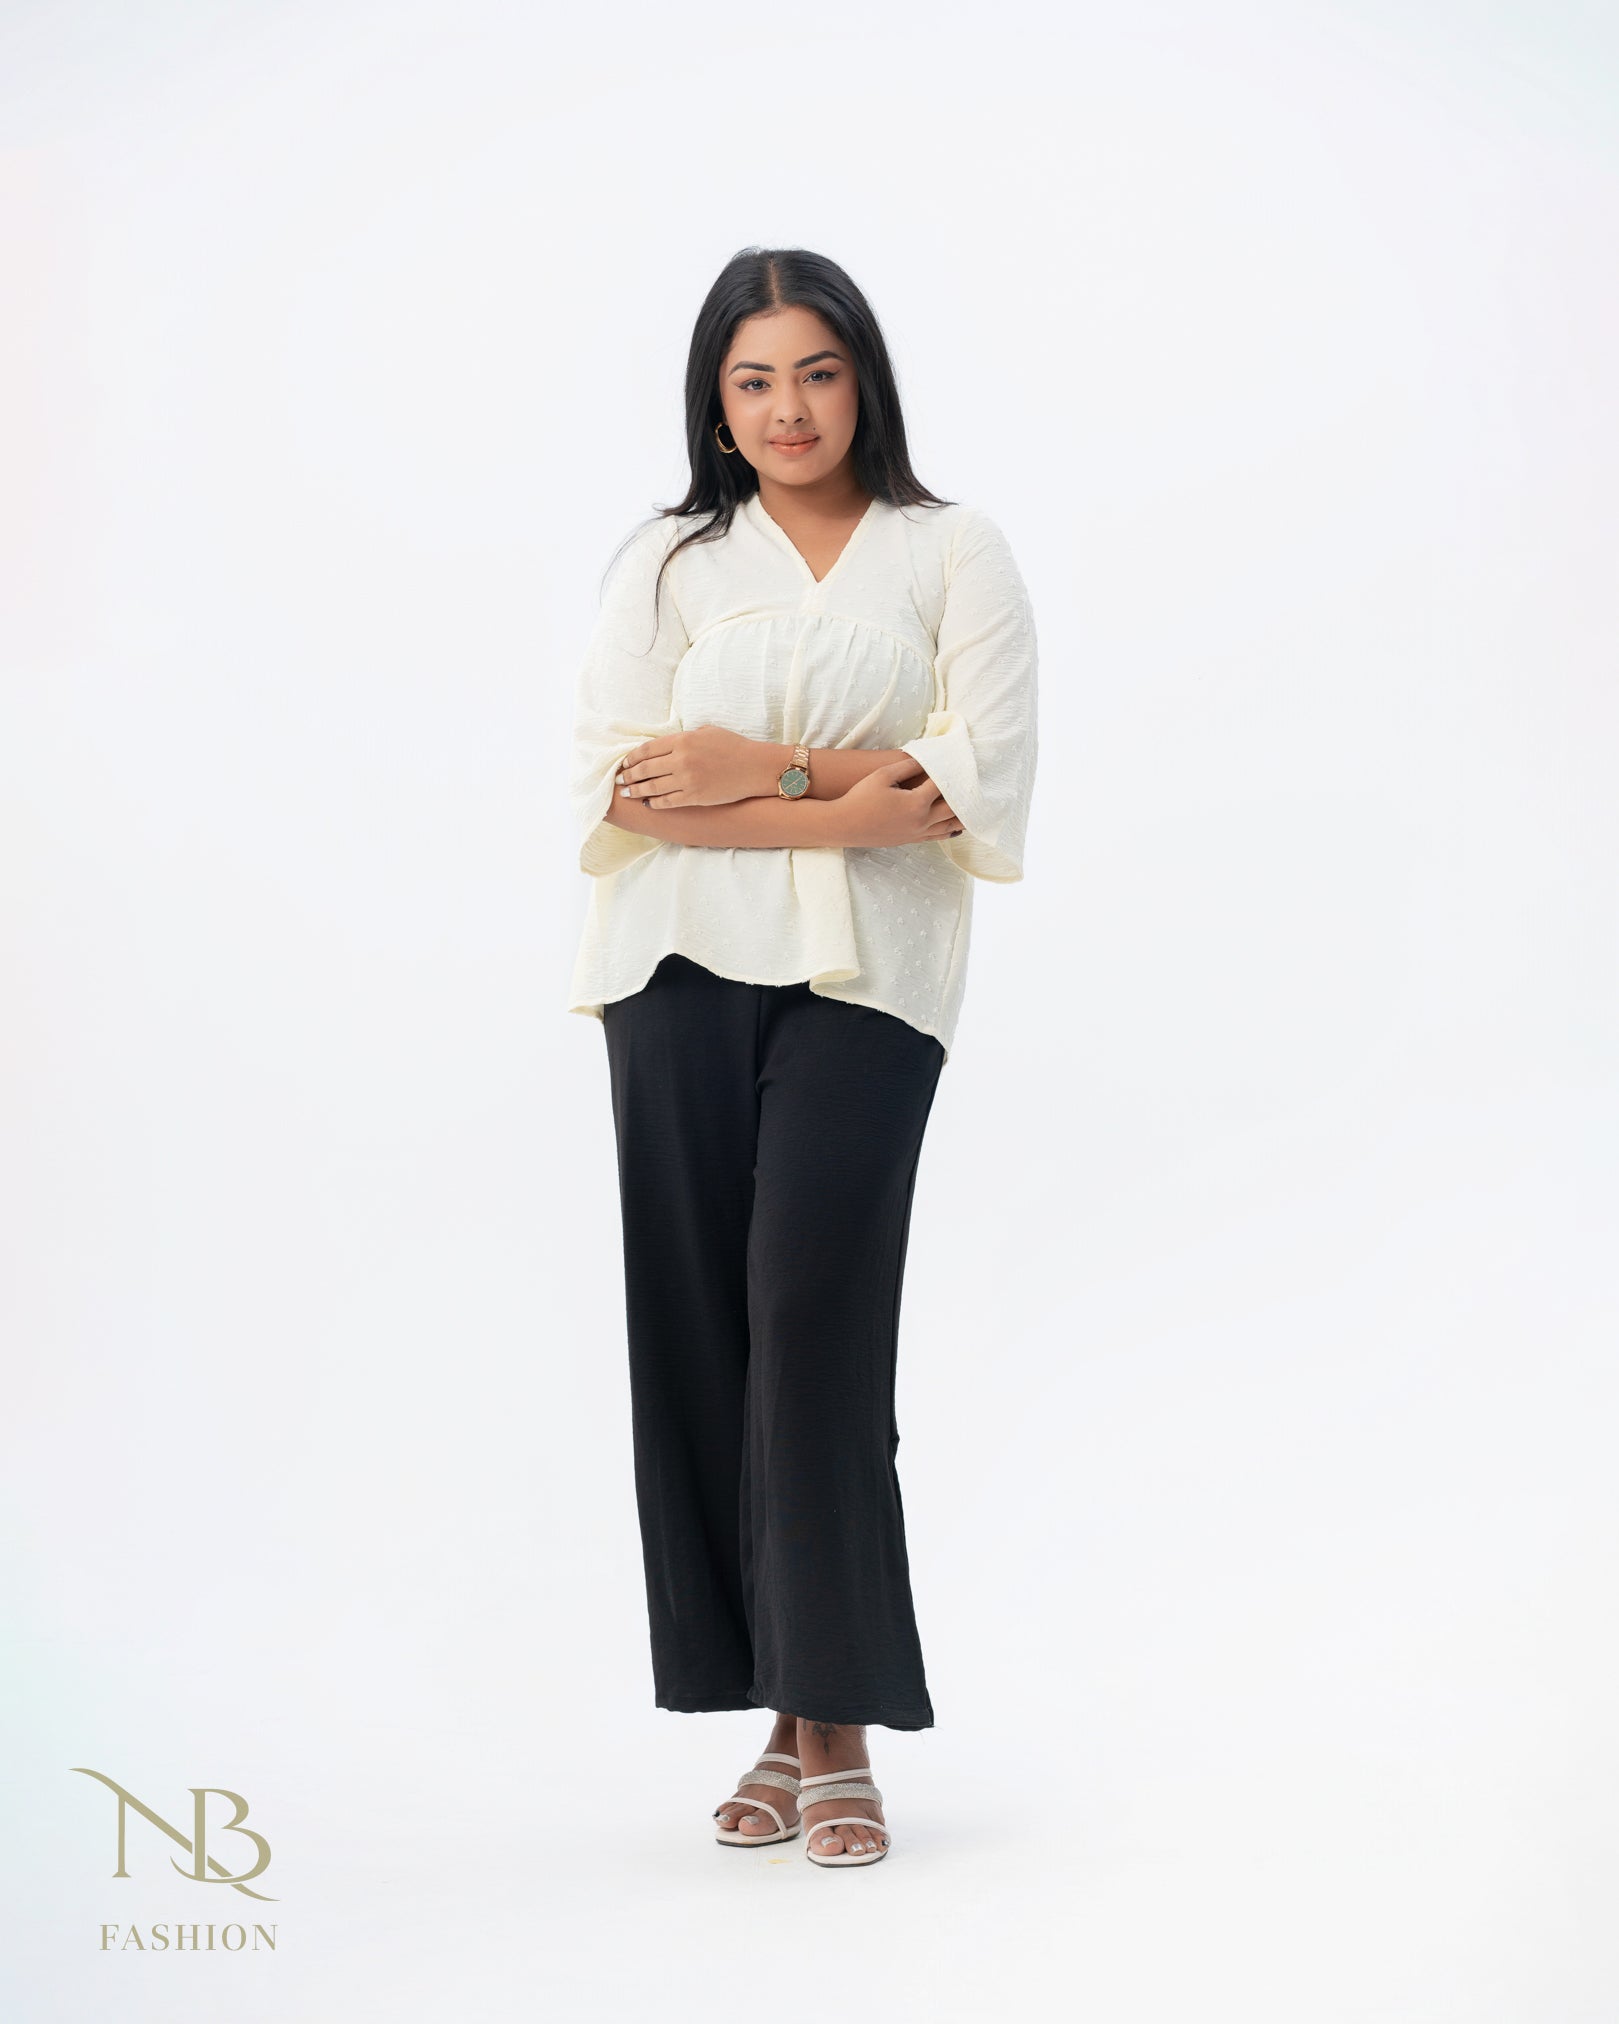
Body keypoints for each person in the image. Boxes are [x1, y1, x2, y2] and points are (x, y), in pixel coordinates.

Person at [566, 245, 1038, 1868]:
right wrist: (847, 791)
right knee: (705, 1333)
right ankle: (781, 1716)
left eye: (818, 372)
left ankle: (831, 1727)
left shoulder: (951, 550)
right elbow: (620, 791)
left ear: (865, 382)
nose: (788, 408)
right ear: (717, 401)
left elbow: (967, 788)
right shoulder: (669, 563)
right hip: (673, 973)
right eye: (754, 378)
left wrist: (749, 772)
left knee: (814, 1322)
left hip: (868, 983)